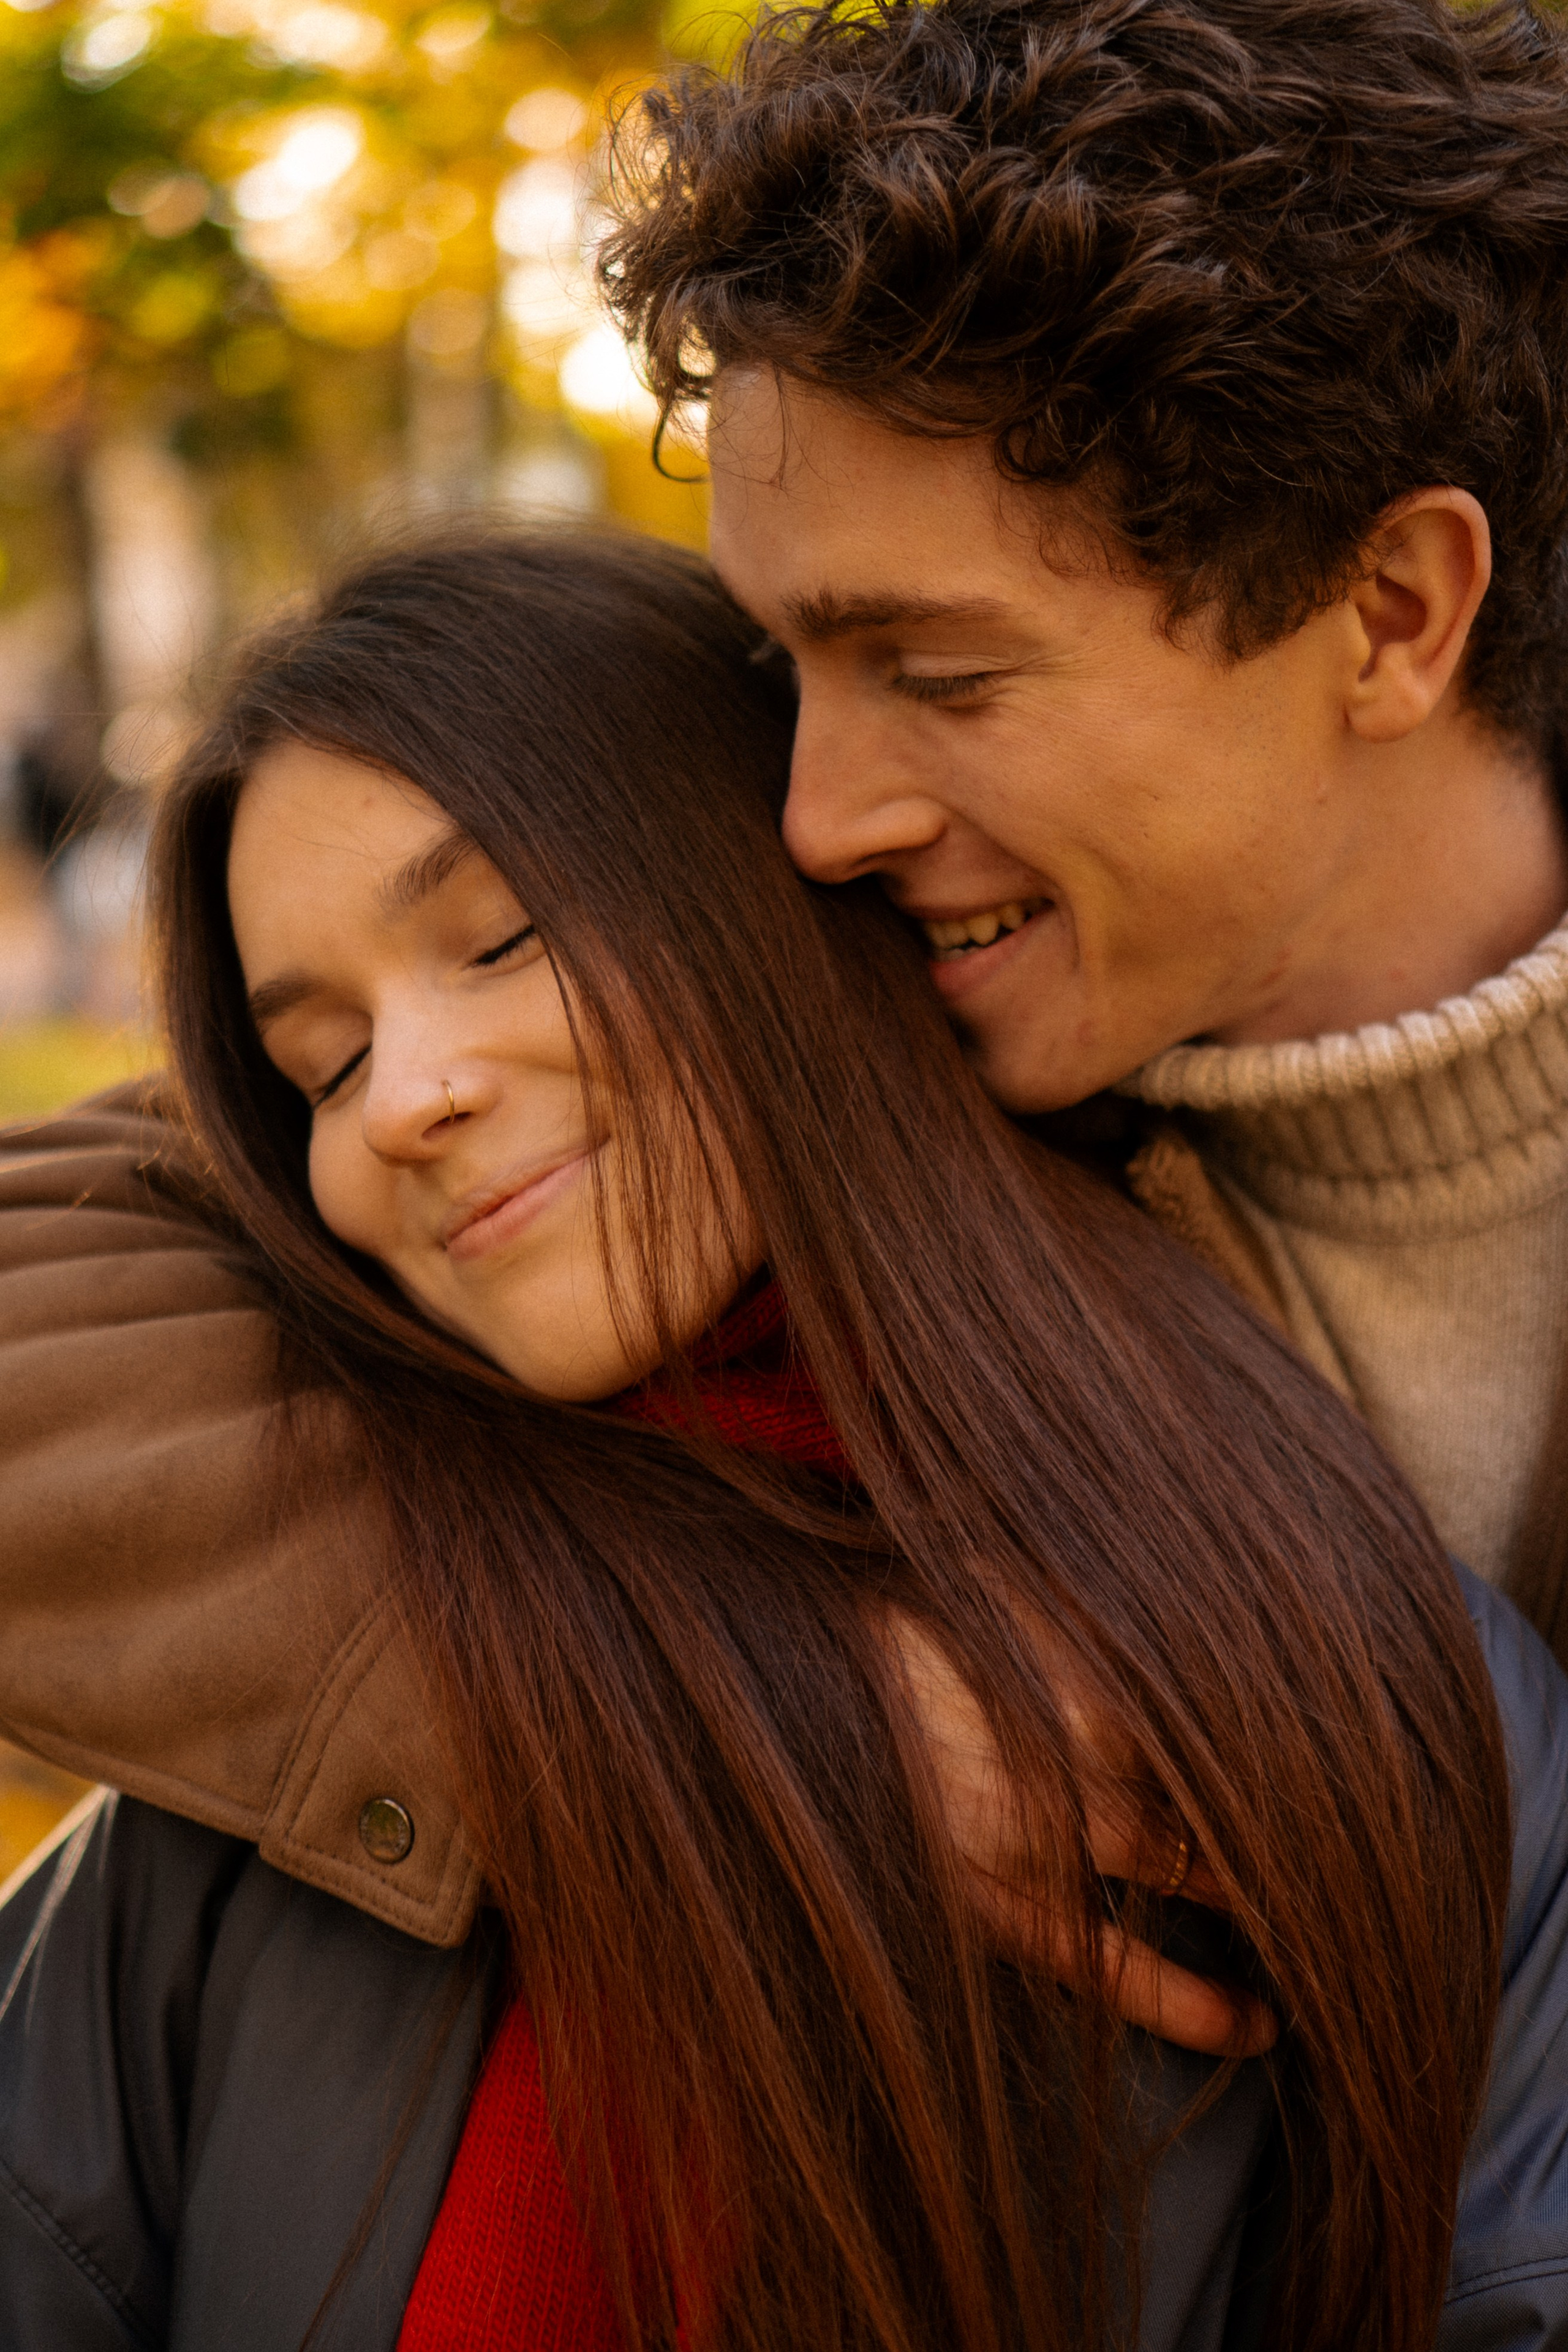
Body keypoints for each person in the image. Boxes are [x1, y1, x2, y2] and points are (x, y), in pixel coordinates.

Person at [0, 530, 1550, 2352]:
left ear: (781, 895)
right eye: (322, 1066)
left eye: (500, 937)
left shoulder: (1370, 1682)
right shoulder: (282, 1776)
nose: (406, 1099)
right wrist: (735, 1685)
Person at [600, 0, 1568, 1656]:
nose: (817, 825)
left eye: (939, 674)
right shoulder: (785, 1060)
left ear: (1392, 614)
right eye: (787, 659)